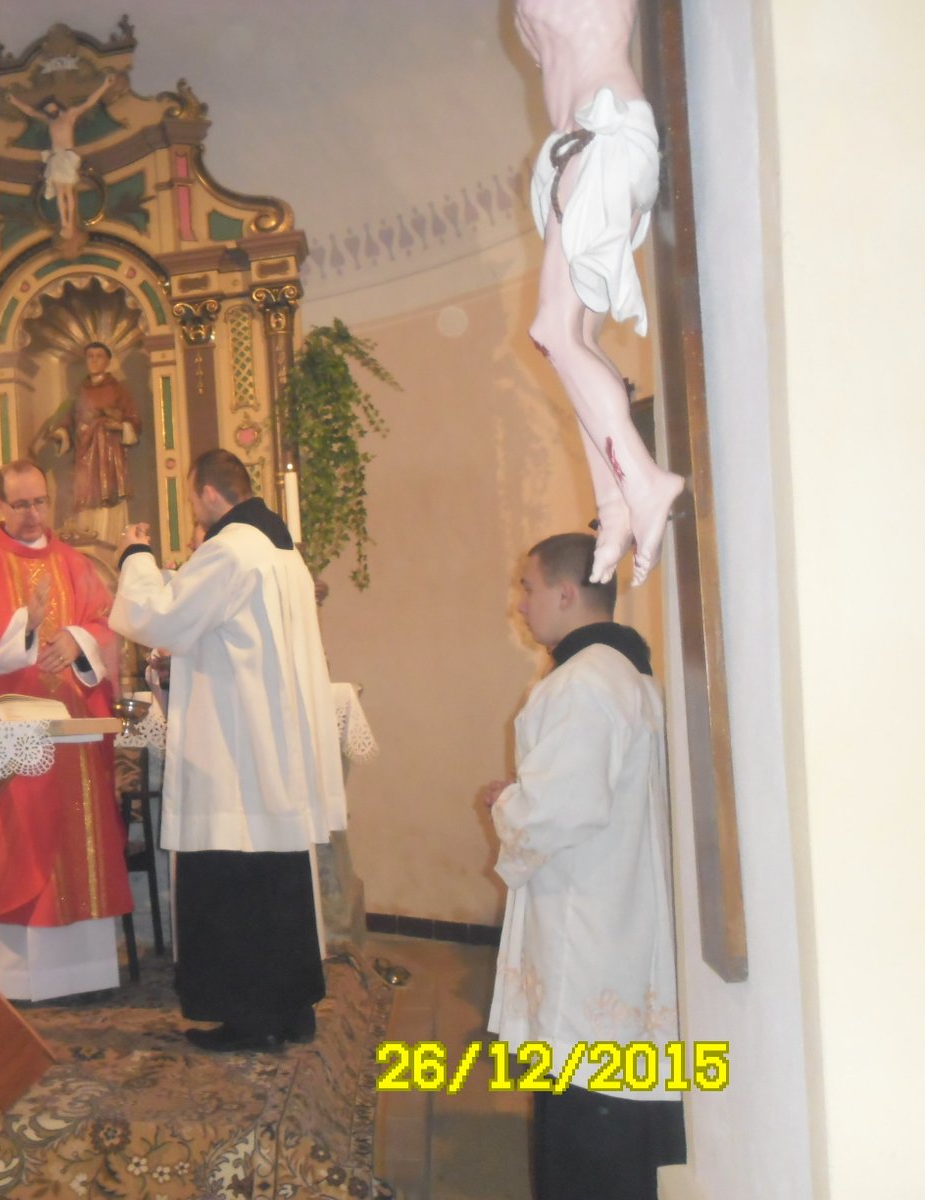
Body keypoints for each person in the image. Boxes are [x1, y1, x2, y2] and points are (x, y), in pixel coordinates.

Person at [110, 449, 345, 1051]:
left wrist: (135, 557)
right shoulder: (283, 554)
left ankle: (247, 1018)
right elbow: (226, 636)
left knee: (234, 882)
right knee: (278, 878)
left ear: (211, 495)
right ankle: (291, 1008)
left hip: (235, 751)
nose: (197, 513)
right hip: (270, 745)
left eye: (194, 501)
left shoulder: (232, 549)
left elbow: (160, 616)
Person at [483, 532, 684, 1198]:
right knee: (609, 1112)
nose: (520, 604)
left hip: (588, 930)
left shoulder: (584, 682)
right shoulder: (628, 675)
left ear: (567, 594)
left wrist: (507, 803)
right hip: (619, 914)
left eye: (528, 587)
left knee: (586, 1126)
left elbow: (559, 810)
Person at [0, 459, 133, 1001]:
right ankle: (17, 979)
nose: (33, 513)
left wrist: (76, 640)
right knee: (17, 846)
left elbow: (105, 624)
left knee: (78, 841)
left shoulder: (75, 564)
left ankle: (84, 973)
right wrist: (23, 625)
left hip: (72, 739)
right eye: (20, 504)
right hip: (8, 743)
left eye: (40, 502)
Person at [516, 0, 684, 587]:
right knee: (575, 339)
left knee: (553, 331)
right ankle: (615, 503)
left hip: (604, 136)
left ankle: (644, 482)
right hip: (580, 146)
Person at [31, 341, 141, 540]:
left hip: (110, 455)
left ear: (107, 361)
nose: (94, 361)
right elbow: (68, 420)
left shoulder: (118, 389)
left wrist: (117, 425)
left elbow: (133, 421)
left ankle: (111, 540)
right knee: (85, 494)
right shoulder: (80, 392)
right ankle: (87, 538)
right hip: (86, 454)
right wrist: (61, 433)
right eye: (90, 356)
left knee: (109, 496)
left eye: (99, 356)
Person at [7, 73, 115, 248]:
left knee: (68, 192)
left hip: (66, 156)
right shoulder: (50, 121)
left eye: (51, 108)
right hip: (55, 157)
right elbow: (31, 112)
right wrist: (14, 102)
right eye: (47, 110)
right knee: (60, 192)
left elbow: (89, 103)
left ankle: (70, 222)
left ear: (57, 106)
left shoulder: (70, 115)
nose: (50, 111)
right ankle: (64, 222)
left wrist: (105, 85)